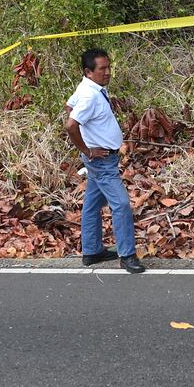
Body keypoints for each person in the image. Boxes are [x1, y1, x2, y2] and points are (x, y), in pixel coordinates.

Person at [65, 48, 144, 273]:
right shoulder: (90, 95)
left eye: (109, 67)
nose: (108, 72)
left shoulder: (88, 88)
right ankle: (127, 255)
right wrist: (88, 150)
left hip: (103, 159)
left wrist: (91, 136)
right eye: (102, 69)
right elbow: (70, 125)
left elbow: (69, 106)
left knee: (92, 204)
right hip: (101, 161)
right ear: (88, 72)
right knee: (121, 205)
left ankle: (91, 251)